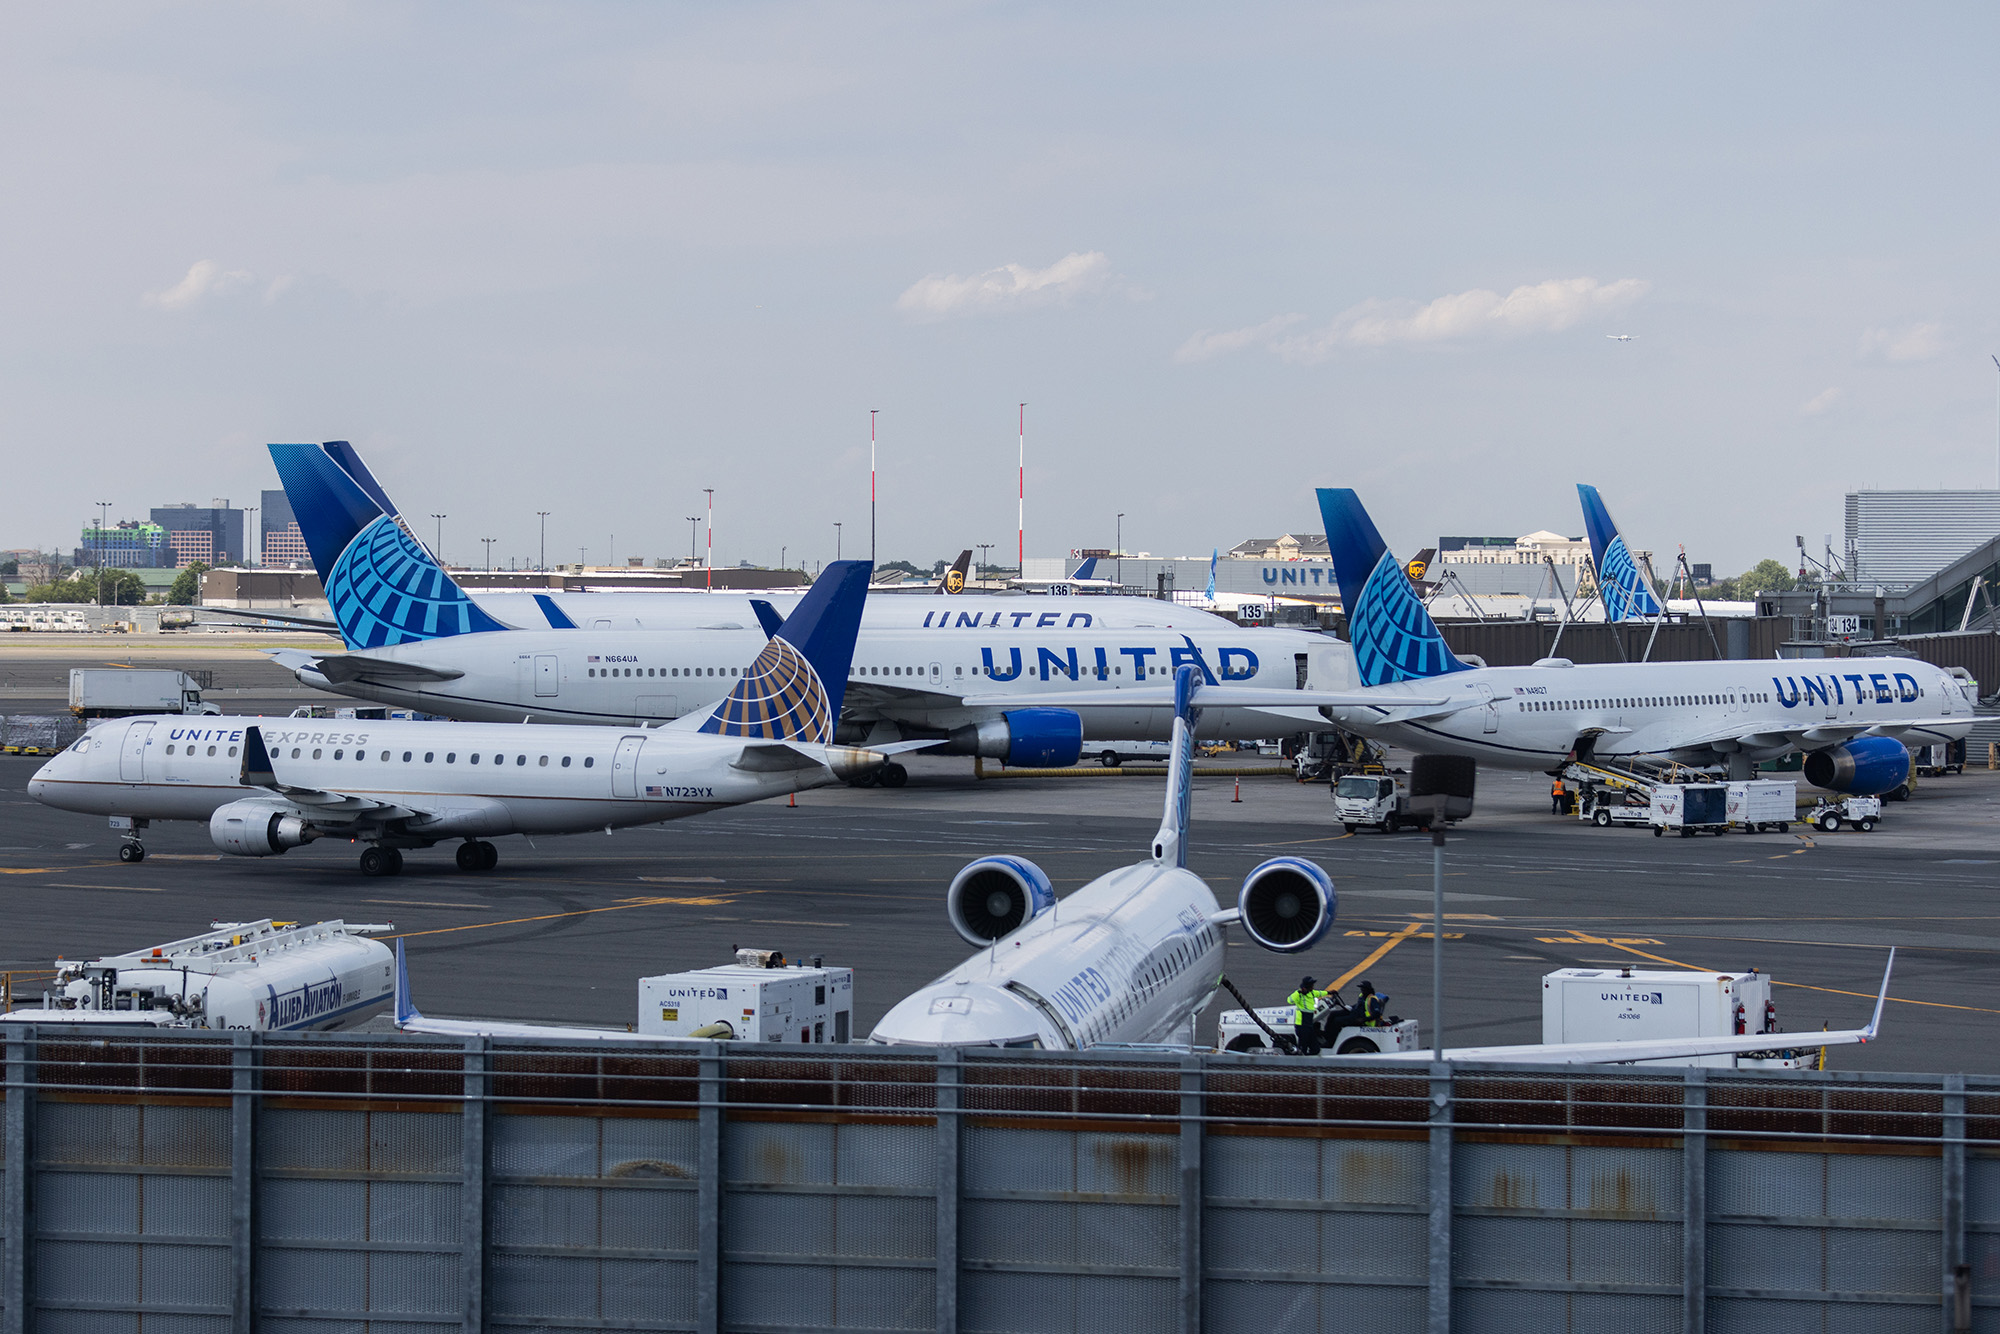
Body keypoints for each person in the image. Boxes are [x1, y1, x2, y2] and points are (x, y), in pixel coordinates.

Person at [1287, 976, 1330, 1055]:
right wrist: (1298, 992)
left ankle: (1307, 1059)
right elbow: (1290, 1000)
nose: (1313, 987)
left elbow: (1319, 993)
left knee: (1316, 1049)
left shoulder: (1312, 993)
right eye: (1312, 985)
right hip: (1302, 1025)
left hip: (1309, 1025)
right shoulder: (1299, 995)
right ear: (1307, 986)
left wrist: (1329, 992)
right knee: (1303, 1048)